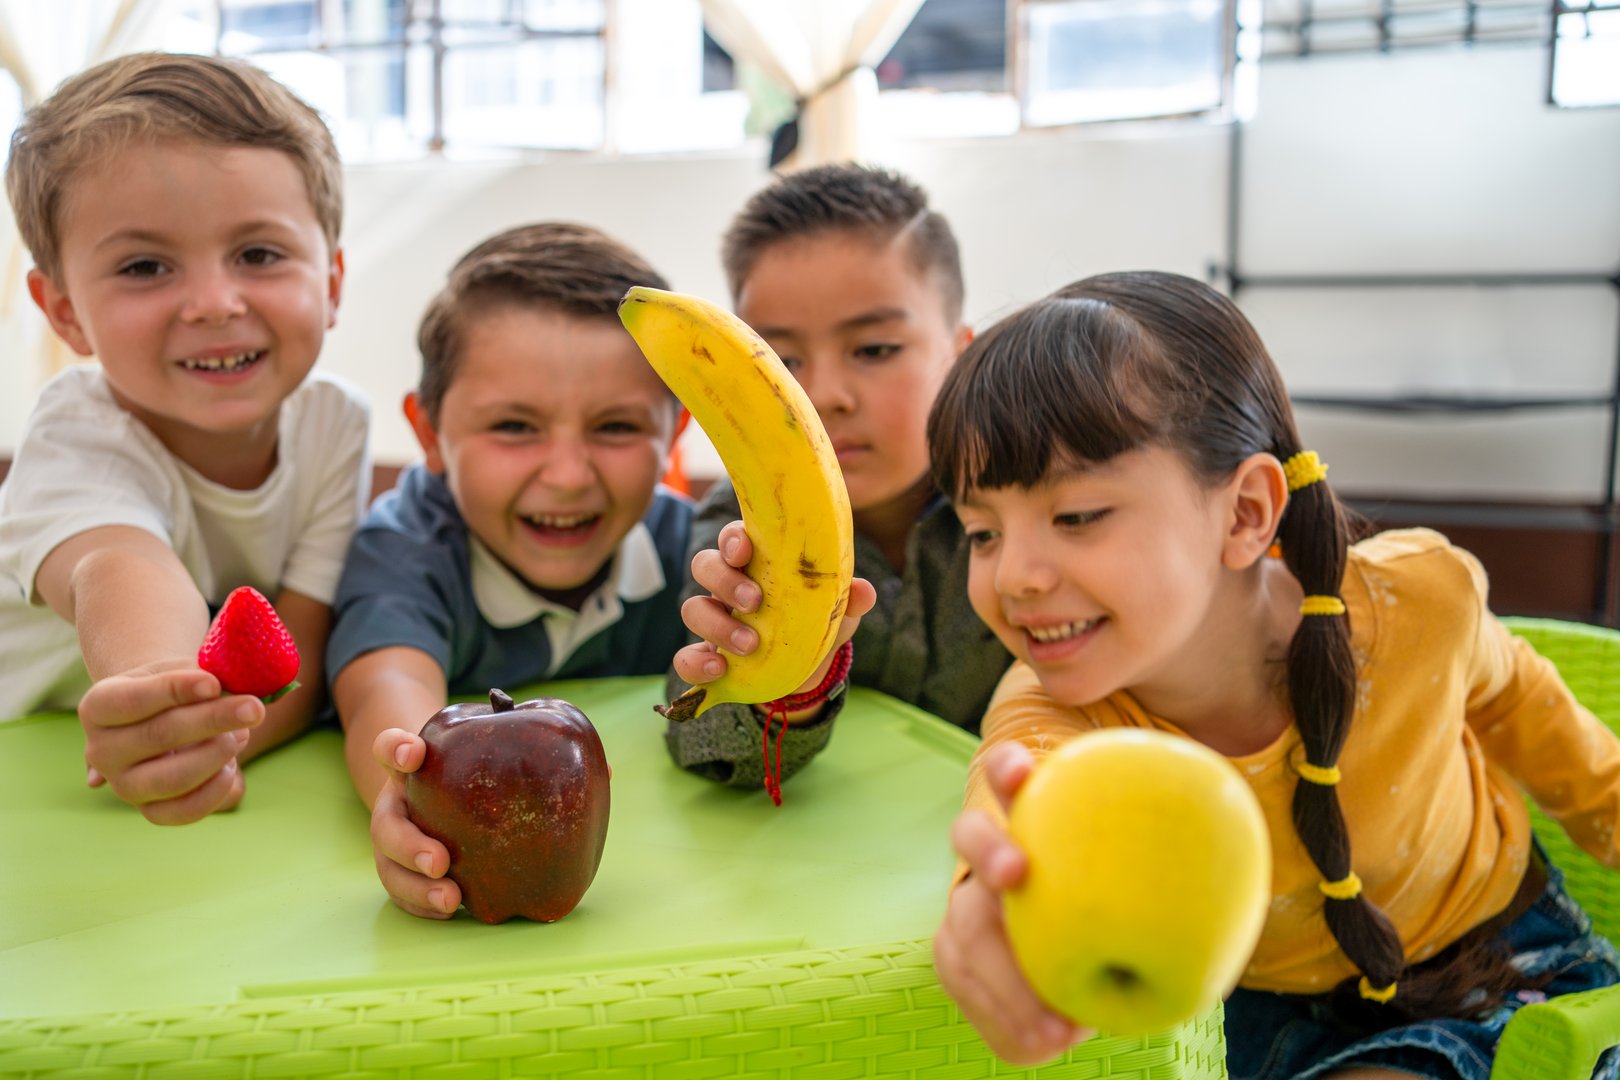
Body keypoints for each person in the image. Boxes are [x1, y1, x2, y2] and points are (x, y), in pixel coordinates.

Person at [925, 270, 1620, 1080]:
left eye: (1076, 516)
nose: (1013, 577)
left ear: (1247, 513)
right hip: (1256, 1012)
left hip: (1492, 967)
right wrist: (994, 899)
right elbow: (1017, 799)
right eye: (980, 533)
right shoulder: (1051, 707)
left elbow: (1523, 702)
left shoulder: (1422, 598)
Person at [0, 53, 365, 826]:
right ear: (63, 311)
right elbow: (120, 565)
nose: (212, 303)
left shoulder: (336, 424)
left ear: (330, 283)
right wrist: (161, 687)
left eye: (258, 254)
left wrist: (202, 746)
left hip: (156, 779)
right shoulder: (77, 435)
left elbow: (298, 646)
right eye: (144, 265)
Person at [327, 222, 694, 919]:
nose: (566, 476)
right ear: (430, 433)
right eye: (515, 428)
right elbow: (390, 680)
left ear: (674, 433)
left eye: (615, 427)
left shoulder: (698, 557)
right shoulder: (405, 547)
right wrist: (407, 789)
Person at [667, 164, 1012, 795]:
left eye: (875, 350)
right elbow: (701, 740)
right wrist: (783, 684)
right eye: (781, 362)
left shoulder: (1031, 508)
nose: (823, 394)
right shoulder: (737, 536)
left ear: (959, 353)